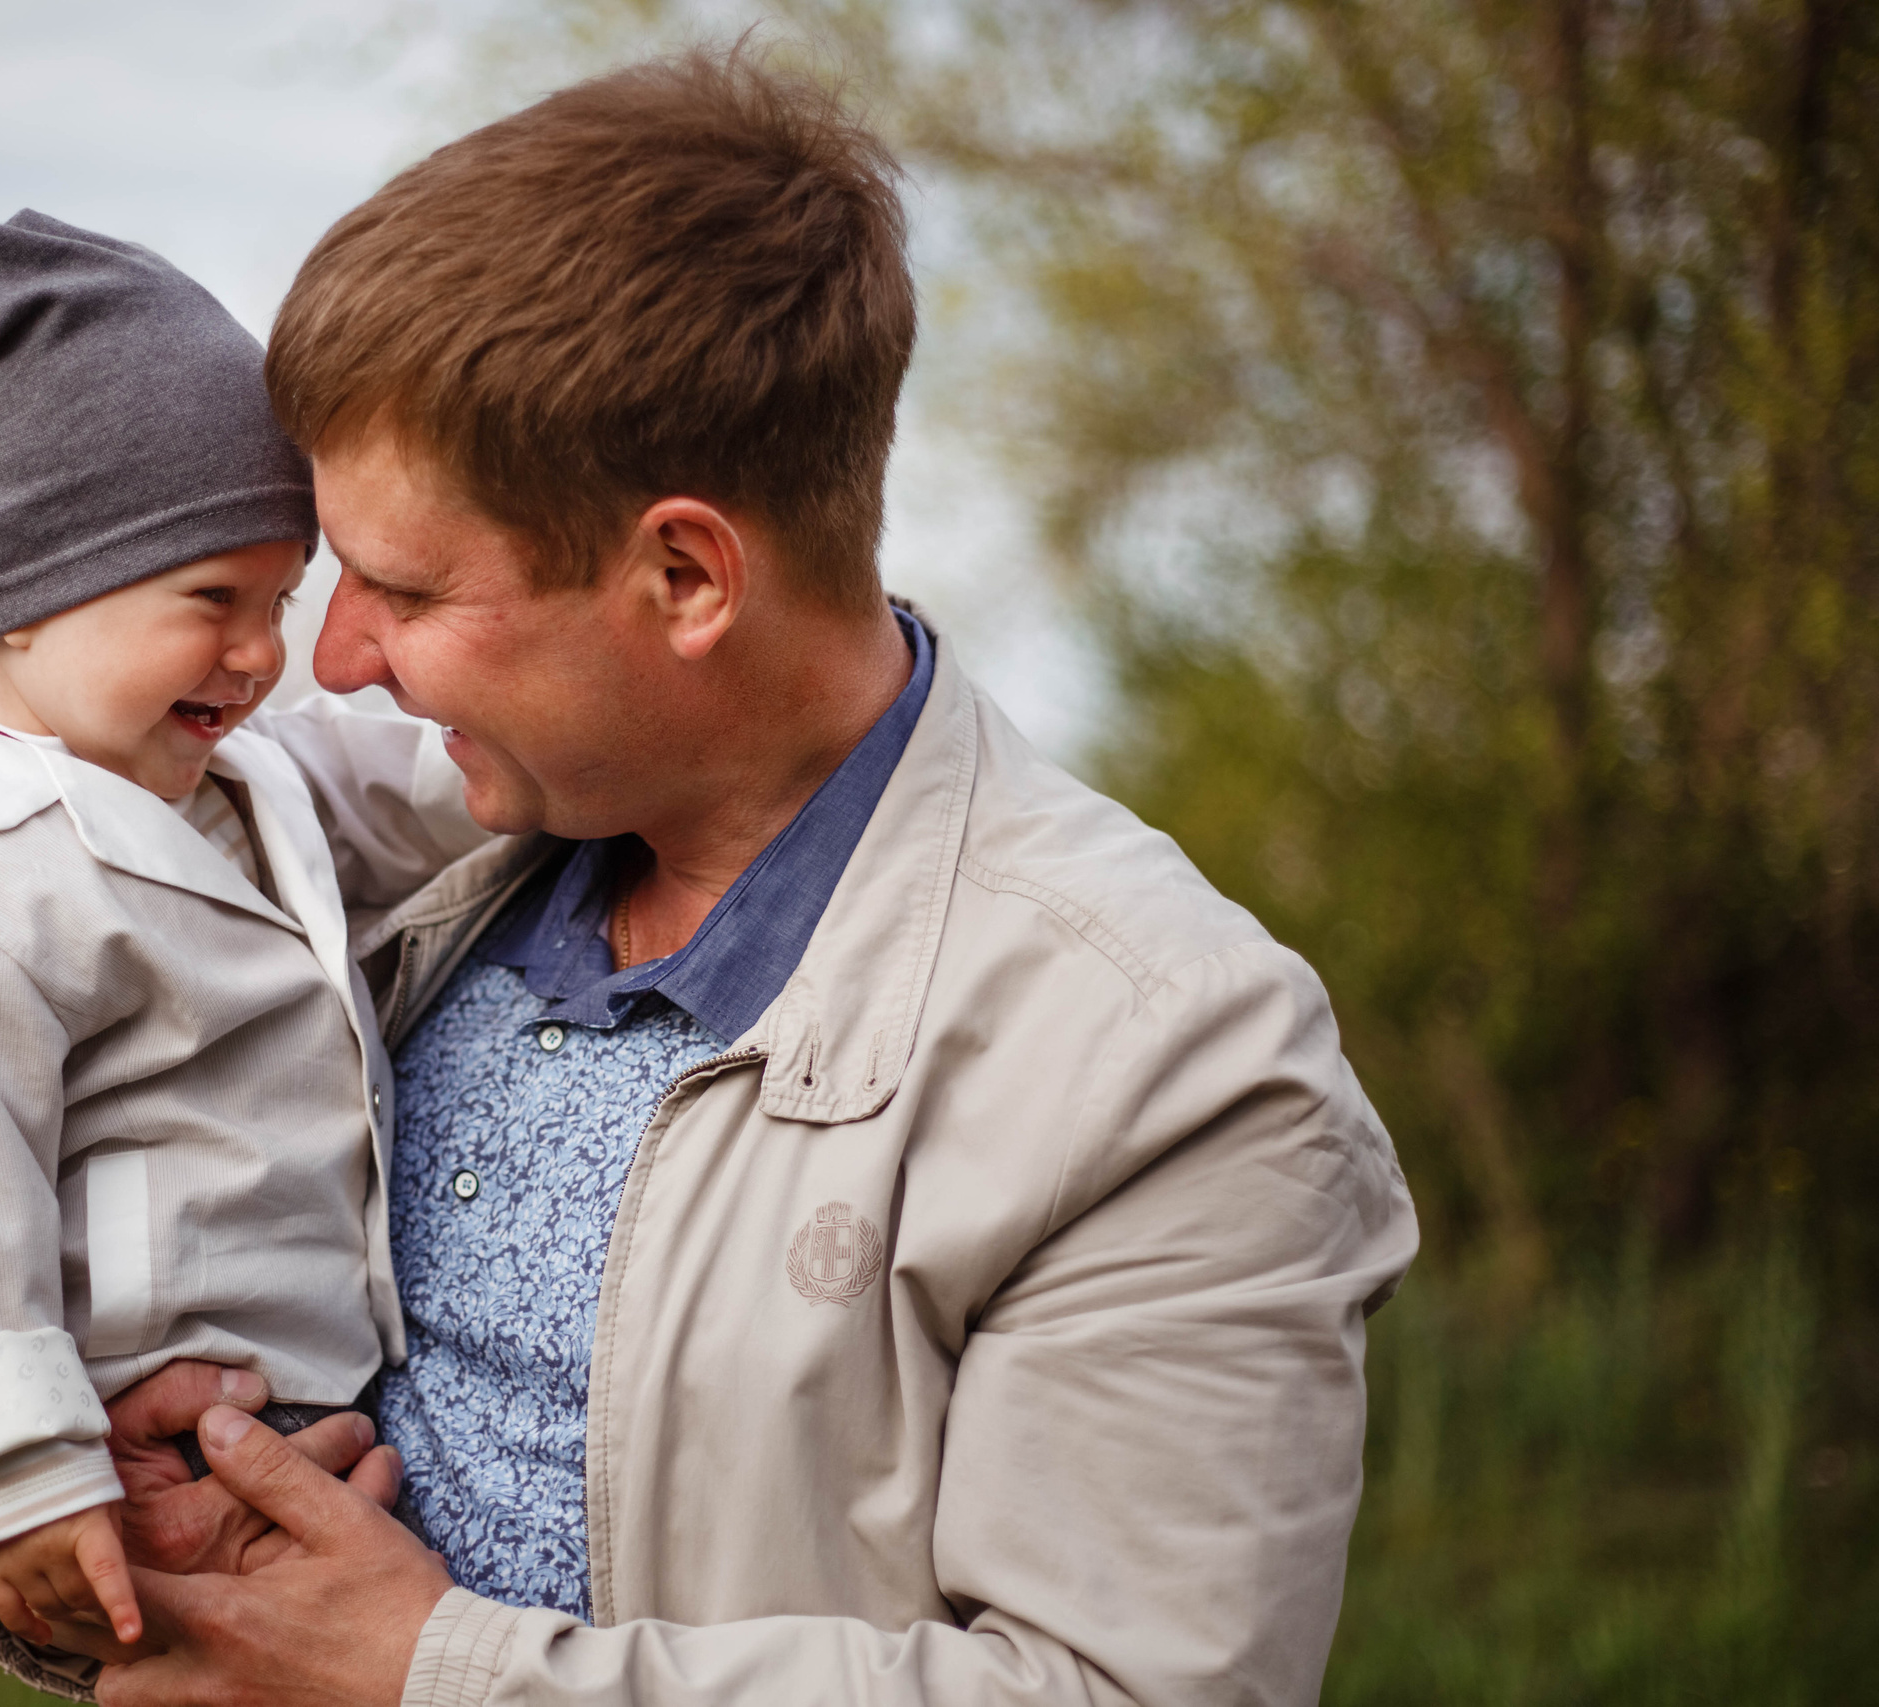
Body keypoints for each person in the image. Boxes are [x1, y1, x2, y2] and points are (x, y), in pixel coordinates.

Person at [78, 47, 1422, 1707]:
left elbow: (1136, 1691)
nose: (334, 659)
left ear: (686, 573)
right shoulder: (373, 892)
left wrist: (431, 1677)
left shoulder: (1171, 1063)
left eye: (406, 590)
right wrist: (127, 1504)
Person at [0, 210, 483, 1698]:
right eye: (210, 601)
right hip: (151, 1452)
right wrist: (28, 1467)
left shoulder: (243, 777)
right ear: (30, 593)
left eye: (276, 599)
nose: (261, 653)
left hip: (333, 1408)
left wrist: (561, 734)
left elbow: (424, 784)